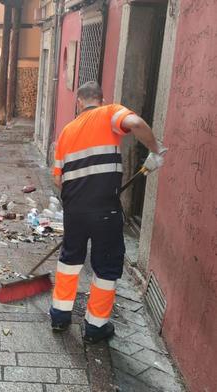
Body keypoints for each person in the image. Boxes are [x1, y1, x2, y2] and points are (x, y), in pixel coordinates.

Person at [49, 81, 166, 343]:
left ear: (79, 102)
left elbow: (57, 179)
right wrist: (155, 150)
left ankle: (59, 316)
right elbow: (135, 123)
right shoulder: (111, 112)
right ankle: (95, 327)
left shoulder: (67, 131)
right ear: (100, 100)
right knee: (106, 265)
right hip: (104, 209)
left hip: (74, 210)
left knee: (70, 260)